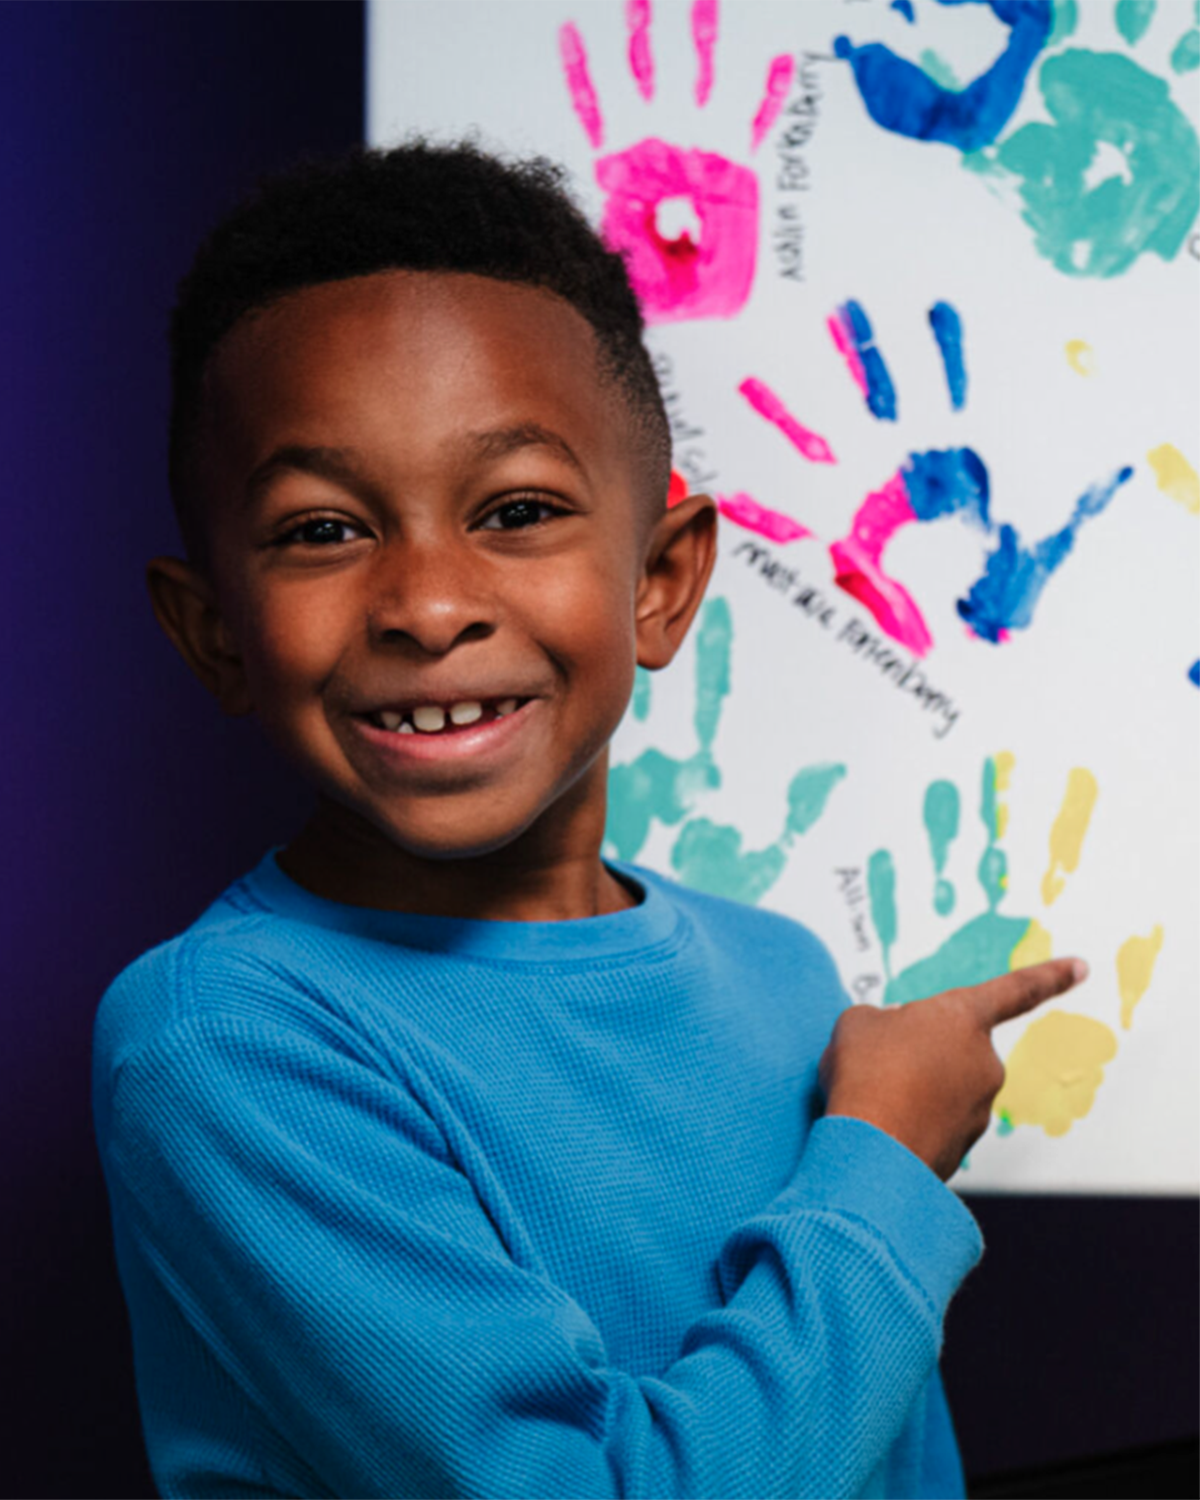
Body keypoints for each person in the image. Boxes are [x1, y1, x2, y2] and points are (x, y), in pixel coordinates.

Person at [92, 140, 1086, 1500]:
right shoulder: (224, 1038)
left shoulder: (785, 973)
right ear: (214, 636)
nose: (429, 605)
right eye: (323, 531)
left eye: (517, 511)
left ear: (664, 584)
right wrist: (885, 1163)